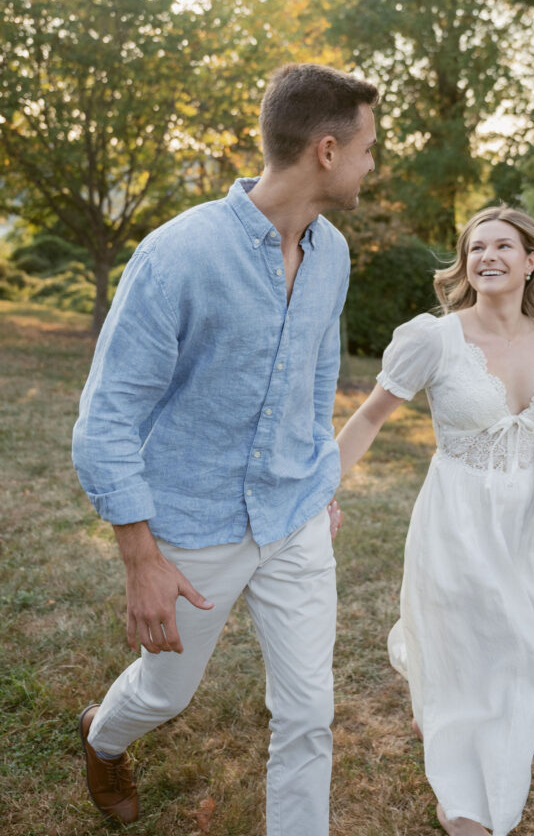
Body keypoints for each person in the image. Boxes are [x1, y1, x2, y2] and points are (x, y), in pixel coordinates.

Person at [72, 62, 378, 833]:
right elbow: (105, 420)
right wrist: (142, 560)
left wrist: (320, 478)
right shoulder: (176, 255)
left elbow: (316, 376)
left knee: (309, 712)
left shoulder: (332, 254)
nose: (375, 165)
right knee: (163, 694)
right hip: (192, 522)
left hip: (296, 516)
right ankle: (102, 739)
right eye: (370, 149)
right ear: (328, 151)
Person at [336, 205, 534, 836]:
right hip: (454, 518)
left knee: (525, 659)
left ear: (531, 262)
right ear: (465, 262)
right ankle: (464, 799)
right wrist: (319, 489)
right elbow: (368, 418)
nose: (487, 257)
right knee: (460, 653)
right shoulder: (435, 338)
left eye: (504, 246)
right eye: (476, 248)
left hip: (520, 522)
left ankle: (469, 738)